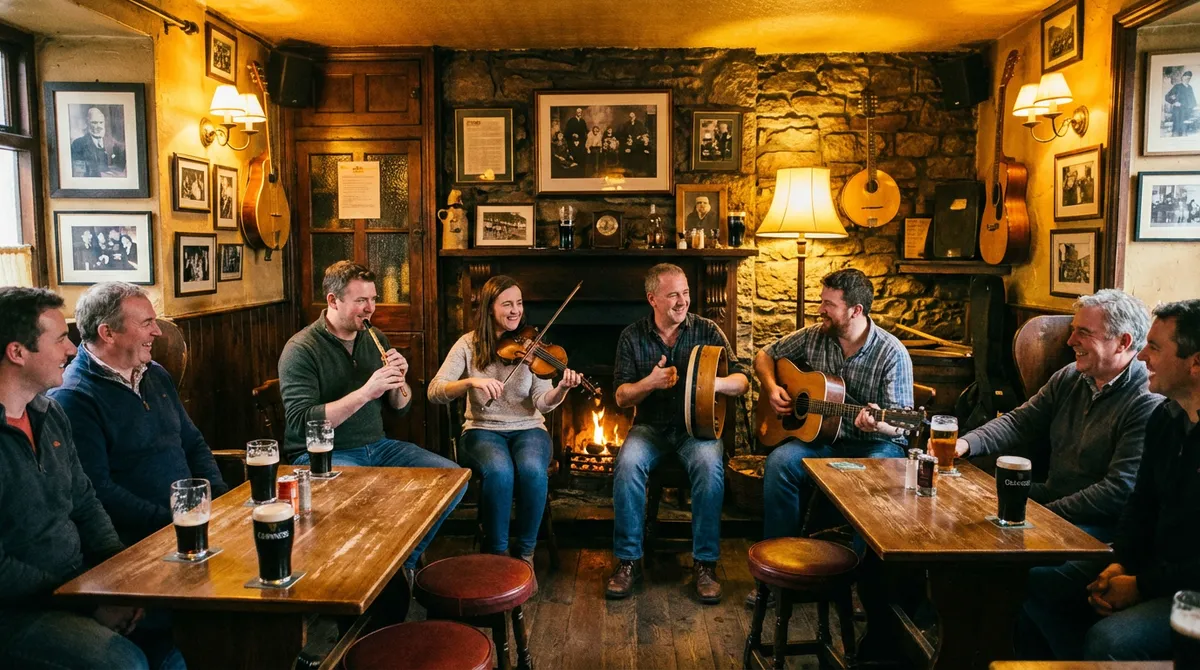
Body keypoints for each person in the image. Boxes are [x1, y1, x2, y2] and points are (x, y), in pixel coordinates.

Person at [1018, 299, 1200, 661]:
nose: (1143, 355)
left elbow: (1120, 494)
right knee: (1020, 580)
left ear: (1196, 364)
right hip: (1152, 568)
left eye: (1155, 347)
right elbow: (1141, 504)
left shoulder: (1146, 404)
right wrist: (1121, 563)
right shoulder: (1167, 417)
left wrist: (1139, 584)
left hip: (1189, 589)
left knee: (1109, 641)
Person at [0, 287, 171, 669]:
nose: (72, 350)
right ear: (17, 352)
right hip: (20, 610)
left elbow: (87, 502)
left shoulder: (48, 414)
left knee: (178, 618)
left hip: (79, 584)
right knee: (125, 663)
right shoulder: (72, 398)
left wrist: (118, 579)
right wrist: (88, 600)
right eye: (60, 339)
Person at [278, 261, 463, 575]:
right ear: (333, 301)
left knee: (452, 479)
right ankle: (366, 574)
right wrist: (366, 392)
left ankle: (400, 566)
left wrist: (400, 380)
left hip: (377, 446)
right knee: (369, 499)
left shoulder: (374, 337)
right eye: (361, 301)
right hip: (323, 456)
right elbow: (301, 423)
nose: (370, 309)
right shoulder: (301, 349)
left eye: (373, 299)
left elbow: (401, 406)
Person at [953, 290, 1160, 542]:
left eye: (1083, 332)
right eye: (1073, 330)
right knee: (964, 510)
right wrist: (964, 443)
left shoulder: (1146, 399)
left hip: (1101, 525)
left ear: (1123, 342)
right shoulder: (1071, 376)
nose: (1070, 340)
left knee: (1004, 553)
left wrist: (1042, 516)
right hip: (1054, 499)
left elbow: (1117, 491)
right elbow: (1021, 422)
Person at [755, 269, 913, 581]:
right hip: (823, 441)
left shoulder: (892, 353)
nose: (820, 310)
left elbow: (902, 427)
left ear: (856, 310)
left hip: (875, 444)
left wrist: (878, 423)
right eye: (821, 301)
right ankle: (779, 565)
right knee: (779, 463)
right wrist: (773, 388)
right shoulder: (815, 335)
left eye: (829, 304)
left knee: (880, 476)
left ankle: (861, 579)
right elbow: (764, 355)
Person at [605, 263, 749, 604]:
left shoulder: (708, 330)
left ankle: (705, 565)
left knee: (710, 468)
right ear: (652, 299)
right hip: (650, 428)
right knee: (627, 466)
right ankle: (628, 562)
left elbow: (742, 380)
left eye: (685, 293)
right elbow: (622, 396)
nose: (682, 301)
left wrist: (715, 383)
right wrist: (650, 383)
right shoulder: (632, 336)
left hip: (697, 430)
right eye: (673, 295)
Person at [50, 282, 229, 546]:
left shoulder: (154, 373)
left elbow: (193, 443)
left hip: (193, 522)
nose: (157, 331)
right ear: (108, 333)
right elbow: (100, 491)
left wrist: (220, 500)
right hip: (142, 541)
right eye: (147, 323)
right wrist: (172, 521)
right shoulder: (74, 396)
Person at [428, 276, 582, 583]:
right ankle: (498, 558)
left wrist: (562, 389)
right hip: (482, 430)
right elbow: (435, 390)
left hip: (529, 429)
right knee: (499, 472)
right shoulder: (468, 345)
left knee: (532, 470)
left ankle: (525, 555)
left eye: (519, 303)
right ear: (489, 308)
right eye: (507, 304)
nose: (515, 311)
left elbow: (543, 401)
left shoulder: (532, 346)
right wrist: (472, 381)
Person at [70, 106, 127, 178]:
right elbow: (79, 173)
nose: (99, 126)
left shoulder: (113, 143)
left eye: (101, 122)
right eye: (94, 123)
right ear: (87, 123)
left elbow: (121, 168)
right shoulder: (78, 144)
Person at [1165, 70, 1196, 137]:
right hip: (1178, 112)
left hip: (1186, 113)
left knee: (1184, 131)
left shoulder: (1190, 88)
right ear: (1182, 78)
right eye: (1186, 77)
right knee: (1176, 131)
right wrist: (1174, 102)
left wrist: (1193, 107)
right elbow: (1167, 97)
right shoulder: (1177, 87)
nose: (1187, 79)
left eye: (1189, 78)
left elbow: (1193, 100)